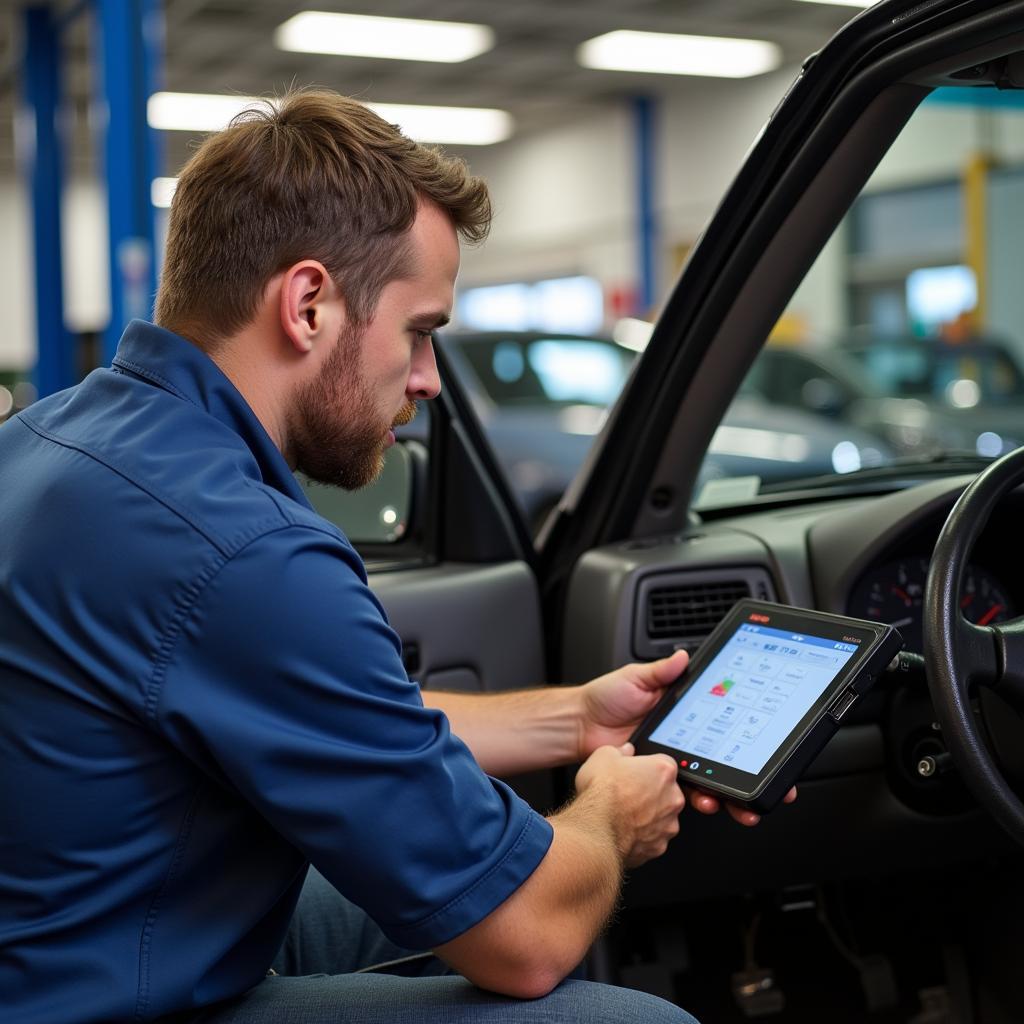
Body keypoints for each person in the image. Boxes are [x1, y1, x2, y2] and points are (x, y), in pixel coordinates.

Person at [0, 89, 773, 1024]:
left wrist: (574, 720)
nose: (428, 381)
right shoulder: (246, 554)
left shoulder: (56, 438)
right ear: (310, 303)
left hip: (70, 935)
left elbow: (337, 713)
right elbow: (526, 942)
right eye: (420, 331)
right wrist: (608, 816)